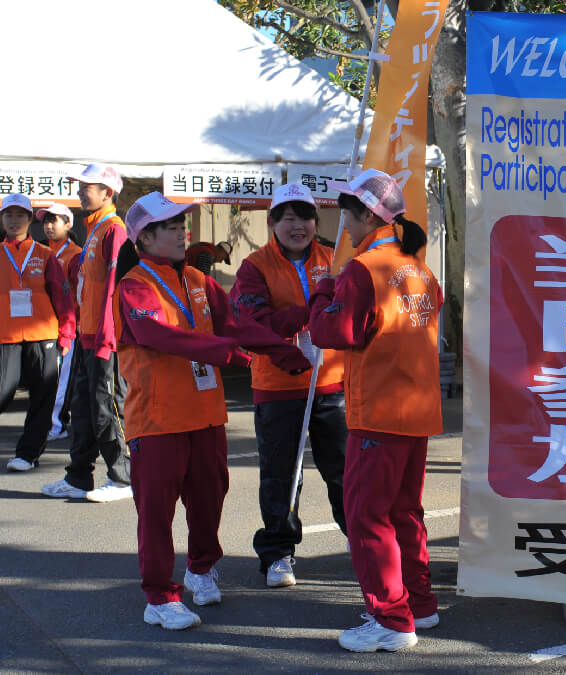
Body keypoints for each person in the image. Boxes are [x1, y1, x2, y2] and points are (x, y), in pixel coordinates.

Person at [113, 191, 308, 630]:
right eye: (172, 227)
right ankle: (159, 597)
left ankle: (200, 569)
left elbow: (237, 325)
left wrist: (280, 351)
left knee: (209, 500)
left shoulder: (201, 282)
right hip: (157, 420)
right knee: (157, 512)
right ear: (144, 238)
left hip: (205, 415)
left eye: (183, 224)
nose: (183, 232)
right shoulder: (132, 287)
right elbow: (161, 336)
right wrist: (224, 352)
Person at [308, 169, 443, 653]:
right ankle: (419, 605)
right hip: (418, 409)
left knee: (367, 515)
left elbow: (333, 333)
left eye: (347, 212)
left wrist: (322, 292)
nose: (342, 222)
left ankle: (389, 616)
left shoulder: (364, 268)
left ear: (368, 214)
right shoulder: (419, 268)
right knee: (405, 511)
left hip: (379, 411)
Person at [230, 183, 348, 588]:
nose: (299, 226)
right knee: (281, 474)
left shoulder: (335, 258)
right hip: (278, 387)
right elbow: (252, 325)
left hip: (332, 383)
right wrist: (310, 312)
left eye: (307, 217)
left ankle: (364, 544)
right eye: (290, 217)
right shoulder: (253, 266)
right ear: (273, 222)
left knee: (345, 471)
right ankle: (279, 553)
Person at [41, 164, 132, 502]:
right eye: (80, 186)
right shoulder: (94, 230)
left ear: (107, 193)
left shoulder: (114, 231)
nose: (81, 191)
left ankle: (124, 478)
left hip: (105, 338)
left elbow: (116, 288)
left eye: (88, 187)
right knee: (82, 409)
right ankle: (78, 477)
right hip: (87, 335)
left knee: (107, 405)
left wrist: (109, 337)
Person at [1, 194, 76, 472]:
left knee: (43, 397)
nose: (14, 220)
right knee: (2, 392)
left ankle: (28, 454)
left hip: (44, 336)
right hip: (5, 336)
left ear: (30, 220)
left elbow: (63, 297)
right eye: (8, 215)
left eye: (20, 215)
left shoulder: (45, 255)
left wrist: (67, 334)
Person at [37, 203, 82, 441]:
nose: (49, 225)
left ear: (68, 224)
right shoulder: (42, 251)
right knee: (46, 378)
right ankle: (48, 423)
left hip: (67, 326)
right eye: (46, 220)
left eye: (54, 220)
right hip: (42, 326)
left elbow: (80, 294)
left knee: (60, 379)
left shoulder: (75, 254)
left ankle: (56, 425)